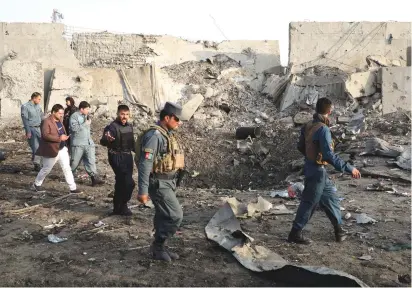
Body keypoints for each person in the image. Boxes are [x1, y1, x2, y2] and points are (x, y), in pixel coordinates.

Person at [288, 97, 361, 244]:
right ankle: (295, 233)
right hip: (317, 171)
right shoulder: (323, 129)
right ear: (330, 110)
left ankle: (339, 230)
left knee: (331, 199)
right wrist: (349, 168)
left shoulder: (308, 125)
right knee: (309, 202)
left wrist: (311, 157)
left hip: (313, 168)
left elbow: (300, 147)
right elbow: (329, 155)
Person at [137, 102, 185, 262]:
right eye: (176, 119)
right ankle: (158, 246)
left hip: (168, 183)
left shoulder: (167, 134)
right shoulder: (154, 136)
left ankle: (159, 247)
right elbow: (145, 164)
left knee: (163, 215)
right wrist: (142, 191)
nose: (179, 122)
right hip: (159, 184)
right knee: (175, 215)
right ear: (167, 117)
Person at [32, 104, 79, 193]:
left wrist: (64, 140)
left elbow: (61, 131)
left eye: (62, 113)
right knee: (46, 169)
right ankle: (36, 184)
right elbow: (45, 135)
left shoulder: (60, 120)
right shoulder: (46, 121)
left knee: (66, 168)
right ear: (53, 112)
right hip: (51, 149)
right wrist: (59, 138)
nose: (61, 115)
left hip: (62, 148)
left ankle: (73, 188)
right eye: (59, 113)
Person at [100, 105, 135, 216]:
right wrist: (108, 139)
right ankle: (122, 205)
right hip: (116, 156)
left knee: (121, 183)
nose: (124, 117)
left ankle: (119, 206)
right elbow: (103, 141)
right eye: (122, 114)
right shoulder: (112, 127)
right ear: (118, 114)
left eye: (126, 114)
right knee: (128, 182)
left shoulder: (130, 127)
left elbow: (132, 144)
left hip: (128, 157)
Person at [69, 101, 104, 187]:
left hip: (88, 143)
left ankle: (94, 179)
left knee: (91, 161)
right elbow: (74, 129)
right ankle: (69, 178)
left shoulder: (86, 116)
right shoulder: (74, 116)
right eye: (87, 109)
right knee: (74, 163)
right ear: (82, 109)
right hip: (78, 144)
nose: (88, 111)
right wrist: (85, 124)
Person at [21, 92, 44, 171]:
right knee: (35, 147)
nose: (39, 101)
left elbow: (42, 116)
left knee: (42, 146)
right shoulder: (25, 106)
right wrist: (28, 131)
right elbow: (25, 120)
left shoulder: (37, 106)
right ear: (34, 98)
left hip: (39, 128)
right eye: (38, 99)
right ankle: (37, 165)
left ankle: (40, 163)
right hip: (31, 128)